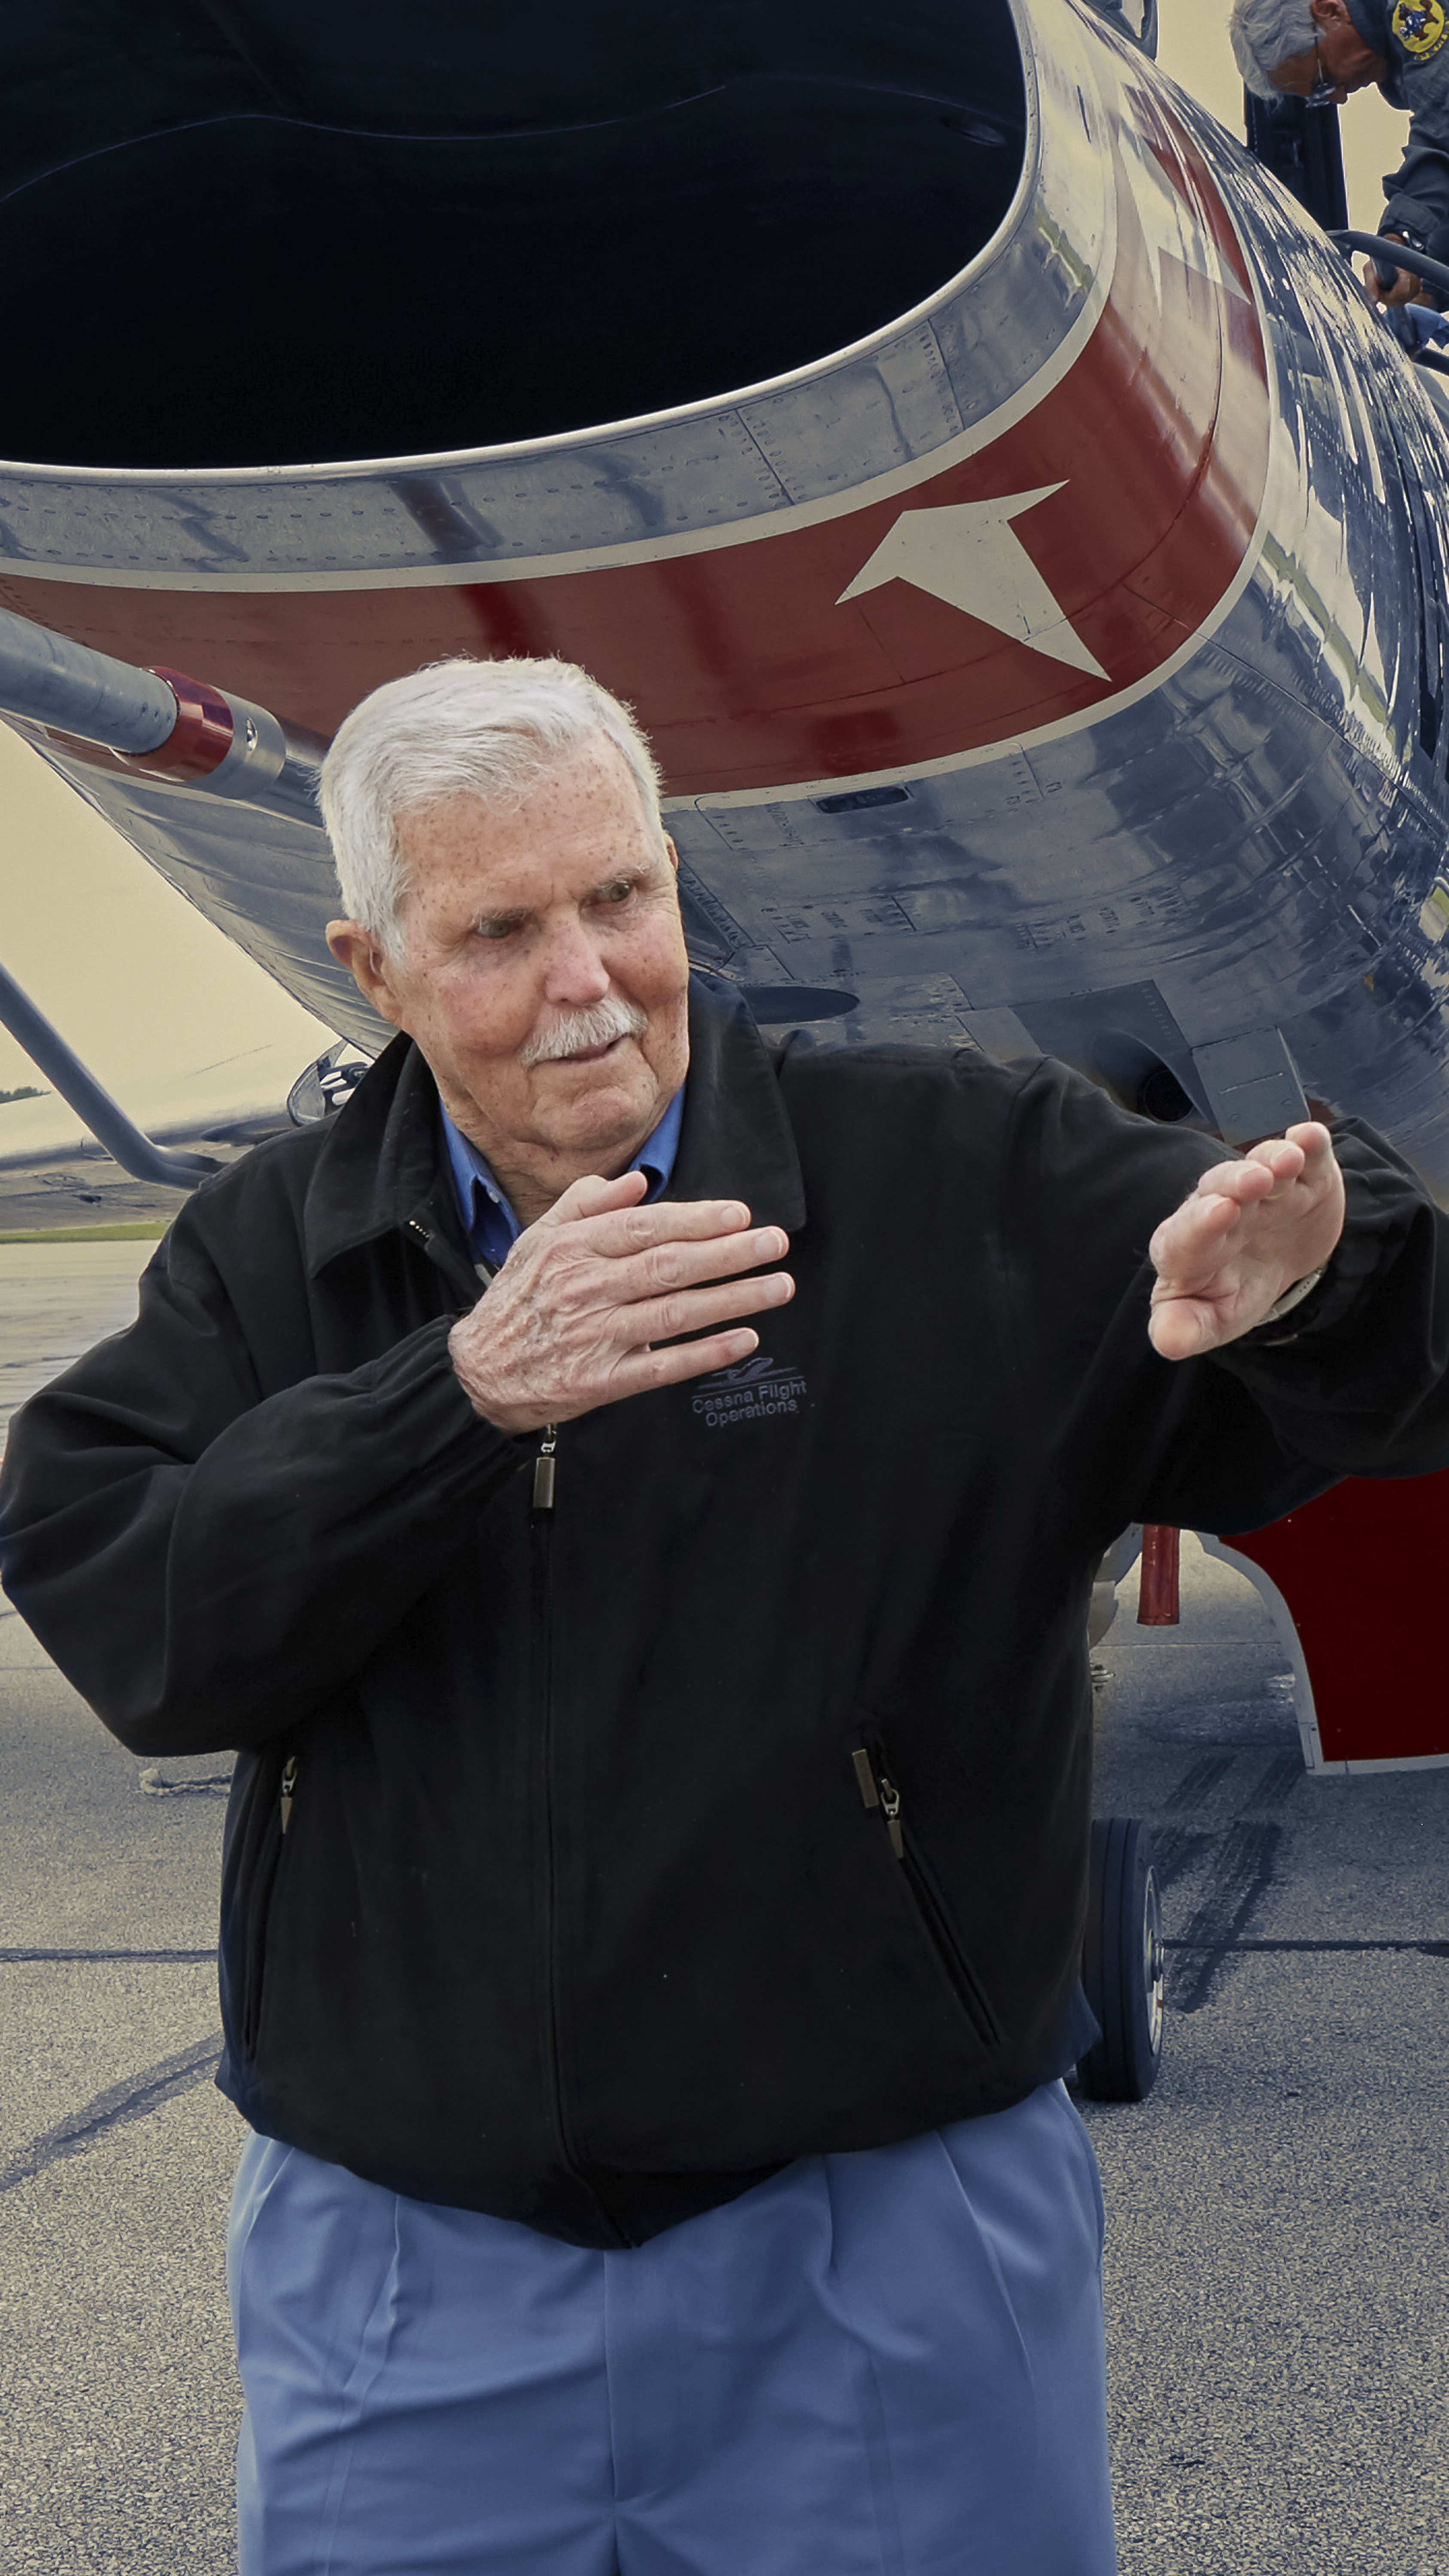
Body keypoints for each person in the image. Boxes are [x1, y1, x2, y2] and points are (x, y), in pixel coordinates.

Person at [3, 653, 1449, 2576]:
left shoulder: (966, 1175)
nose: (586, 981)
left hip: (895, 2245)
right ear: (376, 968)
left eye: (618, 896)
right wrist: (453, 1398)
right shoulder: (269, 1252)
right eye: (499, 931)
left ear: (672, 878)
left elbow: (1386, 1375)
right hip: (405, 2280)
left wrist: (1321, 1278)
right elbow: (134, 1616)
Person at [1230, 0, 1449, 306]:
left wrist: (1401, 240)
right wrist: (1429, 291)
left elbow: (1441, 135)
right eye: (1322, 96)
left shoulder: (1411, 10)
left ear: (1330, 10)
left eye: (1323, 82)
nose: (1340, 96)